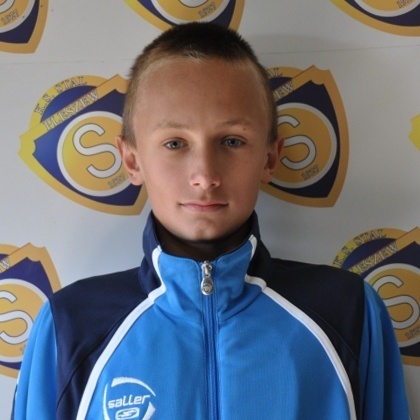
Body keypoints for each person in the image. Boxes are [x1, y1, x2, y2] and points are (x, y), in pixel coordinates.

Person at [12, 22, 409, 419]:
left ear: (270, 157)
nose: (204, 175)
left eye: (232, 141)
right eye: (175, 143)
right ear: (132, 160)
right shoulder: (72, 325)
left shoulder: (348, 312)